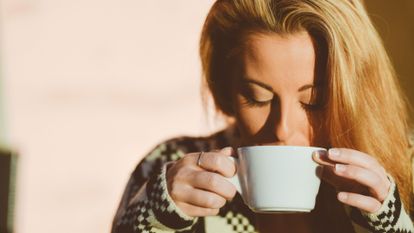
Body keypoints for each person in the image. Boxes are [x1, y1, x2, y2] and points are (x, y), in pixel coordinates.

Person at [111, 0, 414, 232]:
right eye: (259, 98)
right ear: (226, 90)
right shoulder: (171, 163)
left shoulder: (407, 165)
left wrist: (394, 222)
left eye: (314, 101)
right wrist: (155, 219)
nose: (282, 129)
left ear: (358, 91)